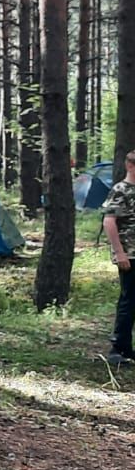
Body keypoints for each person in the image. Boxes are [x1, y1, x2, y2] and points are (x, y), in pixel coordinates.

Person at [102, 151, 135, 364]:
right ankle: (118, 348)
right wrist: (119, 252)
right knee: (129, 300)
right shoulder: (120, 190)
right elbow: (109, 221)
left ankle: (128, 348)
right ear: (130, 165)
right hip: (130, 254)